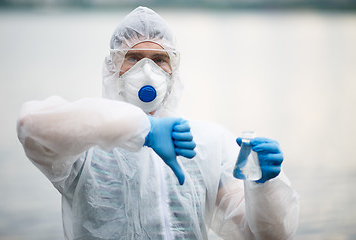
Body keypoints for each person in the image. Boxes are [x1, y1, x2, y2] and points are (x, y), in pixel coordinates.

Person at [17, 6, 300, 240]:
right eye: (134, 58)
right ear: (113, 66)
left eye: (159, 59)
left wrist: (264, 187)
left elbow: (262, 235)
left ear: (173, 70)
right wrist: (144, 130)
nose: (147, 71)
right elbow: (32, 125)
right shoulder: (84, 144)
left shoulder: (204, 144)